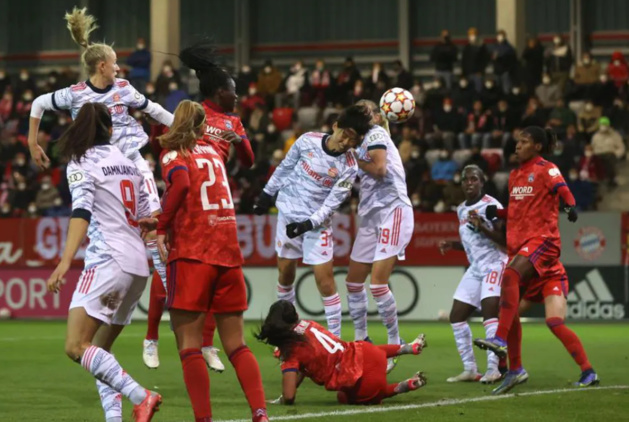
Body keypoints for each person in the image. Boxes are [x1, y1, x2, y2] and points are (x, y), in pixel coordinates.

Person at [28, 7, 173, 338]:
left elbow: (154, 110)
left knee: (154, 220)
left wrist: (187, 124)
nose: (120, 67)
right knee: (112, 227)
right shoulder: (75, 95)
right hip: (101, 167)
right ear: (101, 65)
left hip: (131, 162)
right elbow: (37, 103)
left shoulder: (123, 88)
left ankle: (170, 291)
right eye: (116, 62)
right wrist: (31, 143)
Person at [150, 100, 267, 422]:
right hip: (228, 254)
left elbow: (183, 184)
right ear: (202, 128)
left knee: (189, 345)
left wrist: (161, 226)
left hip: (192, 254)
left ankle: (204, 419)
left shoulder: (173, 155)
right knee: (237, 345)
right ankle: (260, 413)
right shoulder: (214, 153)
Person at [143, 40, 256, 372]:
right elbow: (160, 135)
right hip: (187, 195)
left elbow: (249, 162)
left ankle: (206, 344)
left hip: (213, 204)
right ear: (220, 91)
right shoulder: (193, 112)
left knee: (213, 276)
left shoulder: (233, 122)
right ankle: (151, 338)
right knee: (167, 271)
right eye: (233, 91)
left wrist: (241, 142)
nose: (236, 97)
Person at [47, 102, 161, 422]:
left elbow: (81, 213)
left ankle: (142, 396)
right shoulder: (128, 163)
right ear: (110, 130)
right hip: (138, 266)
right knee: (98, 351)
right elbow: (145, 218)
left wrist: (65, 260)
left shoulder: (81, 161)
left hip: (108, 260)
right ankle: (114, 418)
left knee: (75, 346)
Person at [474, 127, 599, 394]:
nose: (517, 146)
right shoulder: (515, 175)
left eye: (524, 142)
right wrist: (499, 211)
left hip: (544, 243)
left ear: (538, 147)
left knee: (544, 313)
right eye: (517, 141)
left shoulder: (546, 168)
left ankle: (587, 370)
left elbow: (564, 190)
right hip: (523, 250)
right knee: (511, 312)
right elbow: (518, 209)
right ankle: (516, 369)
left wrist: (569, 205)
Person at [253, 104, 372, 338]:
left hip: (316, 225)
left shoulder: (349, 167)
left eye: (354, 141)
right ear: (335, 126)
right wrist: (266, 194)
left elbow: (332, 204)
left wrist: (308, 225)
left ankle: (335, 339)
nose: (347, 143)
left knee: (324, 280)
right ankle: (286, 335)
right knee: (285, 273)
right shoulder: (307, 140)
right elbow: (285, 167)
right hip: (288, 215)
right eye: (345, 135)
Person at [342, 100, 413, 373]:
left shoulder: (376, 134)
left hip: (392, 209)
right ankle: (362, 339)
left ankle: (395, 344)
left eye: (363, 108)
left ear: (372, 115)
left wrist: (352, 157)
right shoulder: (362, 140)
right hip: (371, 214)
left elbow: (380, 169)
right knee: (352, 283)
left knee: (378, 285)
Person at [256, 300, 428, 405]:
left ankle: (401, 387)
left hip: (365, 381)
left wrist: (283, 399)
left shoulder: (290, 350)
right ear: (296, 315)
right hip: (368, 353)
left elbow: (289, 396)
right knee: (361, 348)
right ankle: (407, 348)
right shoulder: (309, 324)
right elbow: (303, 368)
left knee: (343, 397)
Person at [439, 165, 508, 384]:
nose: (469, 182)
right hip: (476, 268)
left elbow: (505, 240)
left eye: (474, 179)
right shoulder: (461, 209)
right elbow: (473, 242)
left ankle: (493, 369)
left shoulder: (492, 206)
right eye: (465, 179)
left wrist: (483, 228)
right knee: (457, 316)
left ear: (482, 181)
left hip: (495, 264)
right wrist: (453, 245)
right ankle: (470, 369)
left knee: (490, 314)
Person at [591, 116, 626, 187]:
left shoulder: (614, 135)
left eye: (604, 124)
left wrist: (616, 154)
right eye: (601, 124)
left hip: (610, 155)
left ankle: (611, 180)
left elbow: (621, 147)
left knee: (609, 162)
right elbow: (592, 147)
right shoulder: (596, 136)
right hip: (598, 155)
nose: (603, 126)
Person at [461, 27, 489, 92]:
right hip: (468, 74)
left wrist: (481, 71)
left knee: (478, 91)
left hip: (477, 74)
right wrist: (463, 73)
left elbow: (485, 60)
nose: (472, 36)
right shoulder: (467, 47)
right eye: (470, 35)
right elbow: (464, 61)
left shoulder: (481, 46)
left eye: (473, 35)